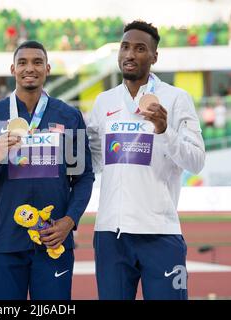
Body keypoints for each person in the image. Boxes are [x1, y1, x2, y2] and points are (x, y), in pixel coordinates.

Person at [87, 20, 205, 300]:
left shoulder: (177, 99)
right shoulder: (104, 102)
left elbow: (197, 161)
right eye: (125, 47)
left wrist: (165, 130)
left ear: (154, 56)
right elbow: (92, 162)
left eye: (140, 49)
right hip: (110, 235)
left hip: (160, 232)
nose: (130, 54)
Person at [0, 40, 94, 300]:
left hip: (53, 240)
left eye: (37, 62)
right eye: (23, 62)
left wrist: (68, 223)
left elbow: (83, 177)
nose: (30, 68)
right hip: (4, 242)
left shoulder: (69, 116)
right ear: (12, 68)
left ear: (47, 68)